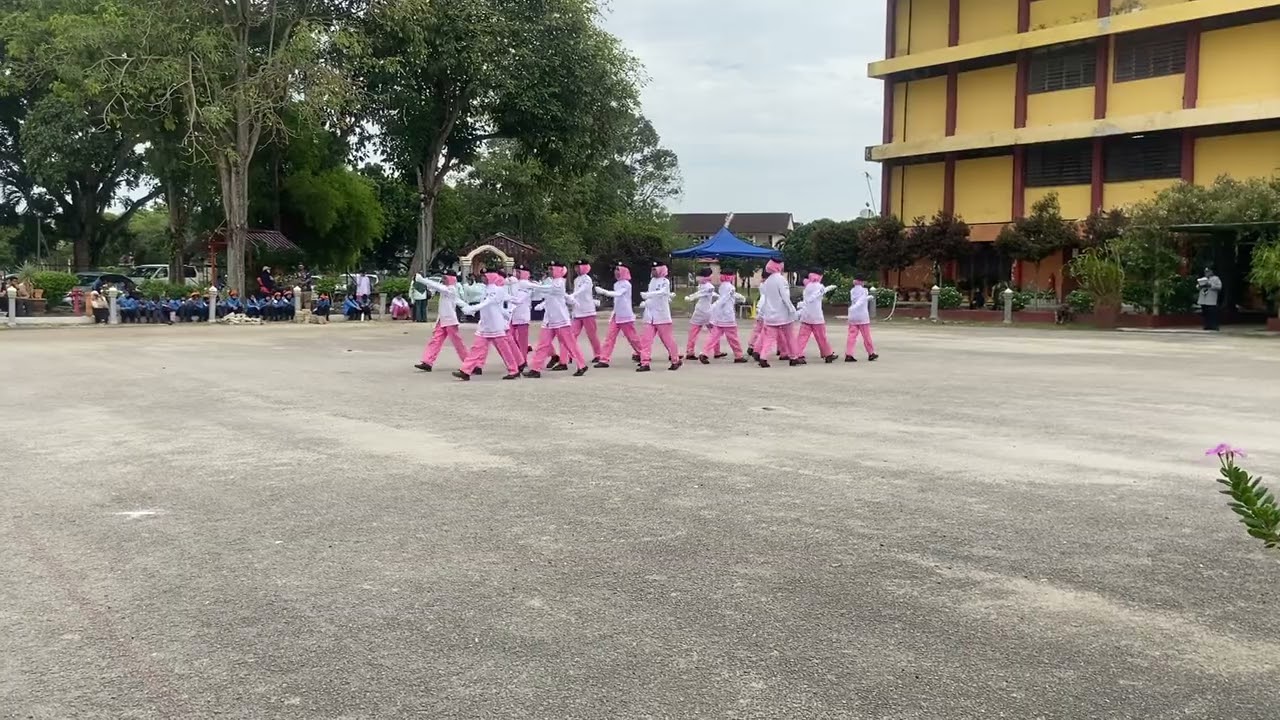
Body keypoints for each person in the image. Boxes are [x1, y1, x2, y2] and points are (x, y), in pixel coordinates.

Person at [454, 270, 522, 381]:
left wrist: (473, 308)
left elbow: (488, 303)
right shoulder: (485, 290)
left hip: (495, 325)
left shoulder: (497, 290)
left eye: (485, 276)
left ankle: (514, 370)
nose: (482, 278)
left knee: (504, 349)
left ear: (491, 277)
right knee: (476, 348)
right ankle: (466, 370)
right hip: (485, 325)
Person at [524, 260, 588, 378]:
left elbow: (549, 290)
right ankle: (535, 368)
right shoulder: (553, 282)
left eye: (551, 269)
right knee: (543, 344)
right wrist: (542, 304)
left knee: (570, 344)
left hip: (560, 319)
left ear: (559, 270)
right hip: (550, 319)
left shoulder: (559, 282)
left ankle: (582, 365)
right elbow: (550, 297)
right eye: (549, 269)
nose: (549, 271)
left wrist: (530, 285)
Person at [415, 270, 469, 372]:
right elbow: (457, 301)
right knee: (435, 341)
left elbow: (437, 286)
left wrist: (422, 280)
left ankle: (469, 364)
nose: (443, 280)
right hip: (442, 319)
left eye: (445, 278)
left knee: (458, 344)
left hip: (450, 320)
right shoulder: (447, 289)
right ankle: (427, 362)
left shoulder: (451, 289)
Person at [593, 262, 643, 369]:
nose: (616, 273)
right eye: (615, 271)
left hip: (625, 316)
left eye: (618, 271)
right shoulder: (617, 284)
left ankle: (643, 354)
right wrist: (613, 314)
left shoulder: (626, 284)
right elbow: (617, 301)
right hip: (617, 314)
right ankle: (604, 359)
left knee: (632, 338)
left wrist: (604, 292)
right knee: (609, 337)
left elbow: (618, 294)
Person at [637, 259, 681, 372]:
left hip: (662, 316)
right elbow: (651, 298)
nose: (653, 271)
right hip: (650, 315)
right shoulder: (651, 281)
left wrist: (648, 295)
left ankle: (675, 359)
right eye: (652, 269)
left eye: (655, 269)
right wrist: (645, 302)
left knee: (668, 340)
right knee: (645, 340)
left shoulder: (665, 282)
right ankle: (644, 362)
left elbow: (662, 292)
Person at [756, 258, 798, 368]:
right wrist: (792, 310)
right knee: (790, 336)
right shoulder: (781, 280)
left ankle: (763, 357)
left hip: (770, 314)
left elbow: (766, 298)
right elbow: (785, 297)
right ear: (779, 266)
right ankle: (794, 357)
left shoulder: (768, 281)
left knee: (769, 338)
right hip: (783, 314)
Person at [701, 270, 749, 364]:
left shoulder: (722, 286)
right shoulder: (731, 287)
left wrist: (714, 311)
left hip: (719, 316)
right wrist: (715, 307)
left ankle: (704, 352)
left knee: (713, 336)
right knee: (733, 337)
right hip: (728, 316)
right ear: (731, 277)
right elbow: (725, 299)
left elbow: (727, 296)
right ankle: (738, 355)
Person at [793, 269, 839, 363]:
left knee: (802, 337)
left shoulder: (808, 286)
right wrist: (827, 289)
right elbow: (817, 296)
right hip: (817, 316)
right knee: (821, 337)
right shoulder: (820, 286)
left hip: (806, 315)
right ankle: (828, 354)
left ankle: (796, 355)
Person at [569, 259, 604, 363]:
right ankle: (570, 354)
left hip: (588, 311)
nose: (576, 269)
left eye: (578, 267)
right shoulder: (576, 280)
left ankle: (598, 354)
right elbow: (576, 292)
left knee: (592, 335)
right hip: (577, 311)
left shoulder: (587, 279)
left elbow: (583, 289)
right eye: (575, 267)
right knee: (572, 334)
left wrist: (574, 295)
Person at [683, 267, 720, 361]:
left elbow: (703, 293)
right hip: (707, 311)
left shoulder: (701, 284)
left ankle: (690, 351)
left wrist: (691, 297)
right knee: (714, 332)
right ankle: (716, 351)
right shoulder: (709, 286)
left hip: (699, 310)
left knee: (693, 332)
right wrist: (691, 297)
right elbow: (702, 294)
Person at [506, 266, 536, 371]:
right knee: (510, 337)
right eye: (516, 271)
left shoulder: (528, 285)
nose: (517, 274)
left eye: (519, 272)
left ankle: (523, 360)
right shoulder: (515, 284)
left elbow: (520, 299)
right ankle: (518, 357)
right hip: (513, 314)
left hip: (523, 315)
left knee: (522, 340)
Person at [846, 278, 879, 362]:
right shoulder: (864, 290)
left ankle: (849, 354)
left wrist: (866, 298)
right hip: (862, 316)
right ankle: (871, 353)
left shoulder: (852, 290)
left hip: (853, 316)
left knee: (851, 336)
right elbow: (861, 301)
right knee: (866, 336)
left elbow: (857, 300)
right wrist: (868, 297)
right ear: (862, 282)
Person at [1197, 266, 1223, 331]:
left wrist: (1210, 285)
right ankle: (1207, 325)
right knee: (1205, 313)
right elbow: (1197, 286)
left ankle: (1214, 326)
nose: (1206, 273)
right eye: (1205, 272)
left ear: (1211, 272)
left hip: (1211, 300)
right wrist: (1200, 285)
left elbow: (1219, 287)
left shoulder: (1216, 278)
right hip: (1203, 299)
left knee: (1212, 314)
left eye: (1208, 271)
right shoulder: (1203, 279)